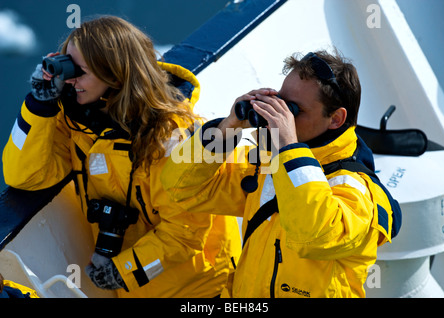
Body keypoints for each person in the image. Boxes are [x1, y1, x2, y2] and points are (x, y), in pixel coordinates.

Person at [2, 16, 241, 298]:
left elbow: (185, 233)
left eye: (80, 72)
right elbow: (25, 176)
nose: (69, 79)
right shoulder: (78, 119)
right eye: (67, 67)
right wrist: (39, 105)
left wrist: (123, 270)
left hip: (198, 290)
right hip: (136, 290)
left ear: (115, 76)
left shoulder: (170, 139)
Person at [161, 49, 401, 297]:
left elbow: (314, 236)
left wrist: (289, 147)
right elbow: (181, 188)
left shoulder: (356, 191)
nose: (279, 116)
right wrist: (225, 131)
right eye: (280, 102)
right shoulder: (267, 162)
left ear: (336, 119)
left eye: (293, 110)